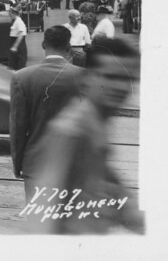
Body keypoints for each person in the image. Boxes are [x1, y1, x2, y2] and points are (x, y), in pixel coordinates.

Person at [25, 39, 143, 234]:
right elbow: (45, 210)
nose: (121, 87)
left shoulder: (95, 120)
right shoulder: (72, 130)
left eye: (128, 79)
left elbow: (110, 182)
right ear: (87, 79)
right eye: (110, 77)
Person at [9, 25, 84, 200]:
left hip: (36, 164)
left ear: (43, 45)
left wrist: (18, 163)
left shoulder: (21, 78)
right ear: (68, 48)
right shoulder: (84, 78)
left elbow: (17, 128)